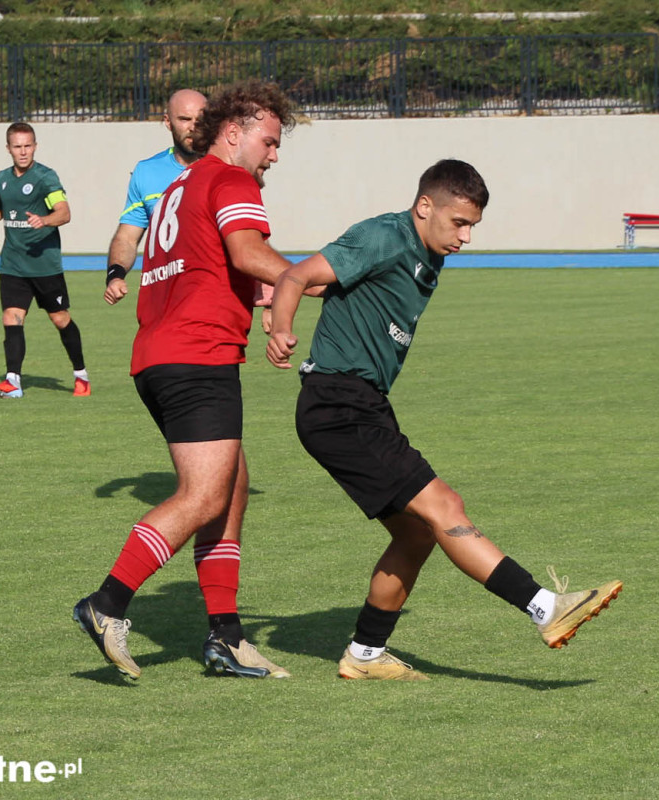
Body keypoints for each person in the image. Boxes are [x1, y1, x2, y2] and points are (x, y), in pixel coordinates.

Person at [266, 159, 623, 681]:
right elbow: (296, 274)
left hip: (362, 404)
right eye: (459, 222)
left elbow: (335, 285)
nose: (467, 237)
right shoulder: (382, 236)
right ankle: (546, 607)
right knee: (443, 506)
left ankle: (365, 654)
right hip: (338, 404)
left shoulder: (423, 251)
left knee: (416, 535)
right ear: (424, 207)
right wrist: (280, 328)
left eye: (473, 225)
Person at [73, 80, 299, 681]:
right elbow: (249, 253)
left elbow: (216, 266)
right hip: (198, 355)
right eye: (270, 142)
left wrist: (273, 303)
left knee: (231, 487)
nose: (273, 155)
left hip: (160, 353)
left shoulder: (179, 184)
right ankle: (108, 603)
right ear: (236, 130)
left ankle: (225, 637)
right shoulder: (231, 179)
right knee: (202, 497)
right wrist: (313, 277)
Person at [0, 123, 89, 399]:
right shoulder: (3, 178)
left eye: (27, 145)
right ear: (8, 148)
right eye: (17, 146)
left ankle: (81, 374)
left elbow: (64, 213)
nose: (23, 151)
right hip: (13, 264)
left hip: (44, 265)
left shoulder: (46, 178)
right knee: (12, 317)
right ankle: (13, 382)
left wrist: (45, 220)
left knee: (60, 319)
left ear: (35, 146)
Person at [103, 89, 207, 306]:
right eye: (185, 119)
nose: (193, 127)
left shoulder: (227, 170)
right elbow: (127, 238)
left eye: (200, 119)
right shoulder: (146, 172)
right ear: (168, 122)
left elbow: (246, 239)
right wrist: (115, 275)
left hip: (211, 301)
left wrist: (269, 299)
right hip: (162, 302)